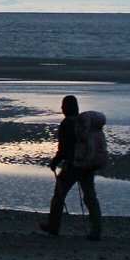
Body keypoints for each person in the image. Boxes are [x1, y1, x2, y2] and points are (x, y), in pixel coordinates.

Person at [39, 95, 103, 240]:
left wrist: (55, 162)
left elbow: (63, 148)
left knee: (59, 196)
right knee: (90, 198)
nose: (62, 109)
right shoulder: (85, 123)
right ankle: (96, 231)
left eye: (63, 106)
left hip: (72, 167)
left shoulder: (67, 123)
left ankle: (53, 227)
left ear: (66, 108)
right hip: (88, 165)